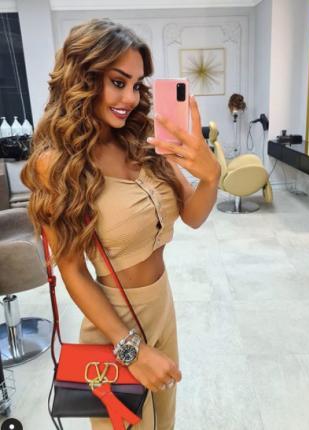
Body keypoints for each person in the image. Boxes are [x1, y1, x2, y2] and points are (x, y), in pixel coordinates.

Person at [20, 18, 221, 430]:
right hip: (115, 322)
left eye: (136, 84)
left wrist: (211, 176)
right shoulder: (56, 164)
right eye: (117, 82)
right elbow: (73, 270)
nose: (130, 98)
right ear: (84, 77)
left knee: (164, 421)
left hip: (162, 305)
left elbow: (194, 216)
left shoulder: (143, 138)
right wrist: (131, 349)